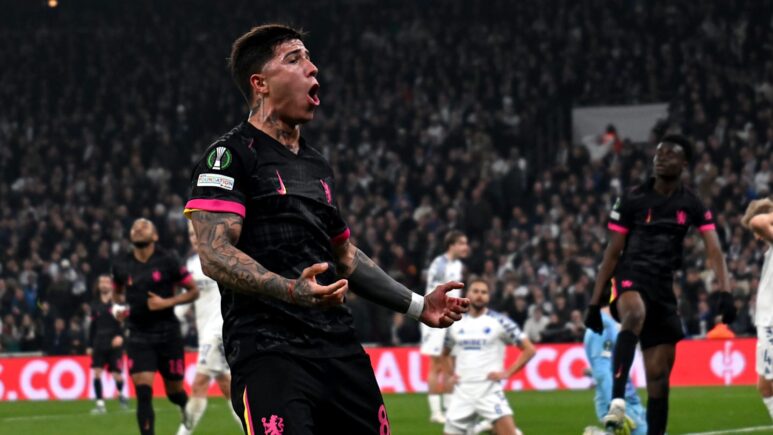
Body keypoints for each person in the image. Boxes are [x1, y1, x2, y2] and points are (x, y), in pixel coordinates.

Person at [184, 24, 470, 435]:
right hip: (270, 353)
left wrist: (418, 305)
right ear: (260, 84)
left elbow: (345, 257)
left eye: (309, 57)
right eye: (294, 59)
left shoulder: (315, 164)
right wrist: (291, 290)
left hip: (339, 348)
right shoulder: (228, 157)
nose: (313, 68)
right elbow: (214, 254)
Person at [584, 135, 735, 435]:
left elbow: (714, 248)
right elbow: (612, 251)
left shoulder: (691, 202)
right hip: (630, 274)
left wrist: (726, 291)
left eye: (669, 154)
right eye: (658, 153)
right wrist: (594, 301)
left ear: (684, 163)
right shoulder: (632, 198)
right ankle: (617, 401)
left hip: (663, 287)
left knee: (659, 378)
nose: (661, 158)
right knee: (634, 313)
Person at [112, 218, 200, 435]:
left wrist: (166, 303)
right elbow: (117, 295)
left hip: (168, 334)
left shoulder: (168, 260)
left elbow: (193, 291)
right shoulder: (121, 265)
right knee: (143, 393)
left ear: (155, 236)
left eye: (144, 226)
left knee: (174, 392)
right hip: (139, 335)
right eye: (135, 226)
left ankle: (184, 405)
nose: (138, 228)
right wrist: (117, 309)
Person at [442, 278, 535, 435]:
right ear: (467, 295)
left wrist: (507, 373)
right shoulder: (456, 324)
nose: (479, 295)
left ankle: (488, 426)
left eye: (484, 292)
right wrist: (450, 374)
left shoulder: (500, 322)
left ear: (488, 297)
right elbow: (444, 353)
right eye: (476, 291)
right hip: (462, 391)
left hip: (489, 390)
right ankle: (484, 426)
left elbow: (529, 349)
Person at [175, 221, 241, 435]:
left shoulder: (220, 258)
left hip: (218, 331)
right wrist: (171, 317)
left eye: (196, 233)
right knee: (228, 387)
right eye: (190, 234)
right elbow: (184, 302)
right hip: (206, 333)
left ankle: (182, 433)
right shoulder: (191, 265)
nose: (193, 238)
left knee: (199, 383)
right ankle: (252, 429)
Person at [421, 230, 469, 423]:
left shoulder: (458, 265)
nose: (466, 247)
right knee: (436, 365)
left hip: (452, 319)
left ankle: (450, 410)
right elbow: (432, 293)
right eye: (462, 243)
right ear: (452, 245)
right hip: (436, 318)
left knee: (450, 364)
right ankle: (435, 413)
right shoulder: (439, 264)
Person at [583, 295, 646, 435]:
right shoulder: (602, 327)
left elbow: (607, 365)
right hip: (622, 404)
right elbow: (602, 371)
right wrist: (616, 408)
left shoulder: (610, 325)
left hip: (629, 399)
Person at [741, 198, 773, 422]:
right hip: (766, 322)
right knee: (764, 385)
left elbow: (758, 223)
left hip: (772, 323)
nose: (756, 237)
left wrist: (769, 214)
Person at [87, 274, 128, 414]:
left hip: (114, 342)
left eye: (106, 282)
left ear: (111, 285)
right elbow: (92, 326)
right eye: (101, 282)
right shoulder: (94, 304)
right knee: (97, 373)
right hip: (99, 342)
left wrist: (121, 337)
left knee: (116, 374)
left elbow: (124, 324)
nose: (104, 284)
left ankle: (121, 395)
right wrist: (89, 345)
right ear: (98, 286)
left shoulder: (117, 303)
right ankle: (100, 404)